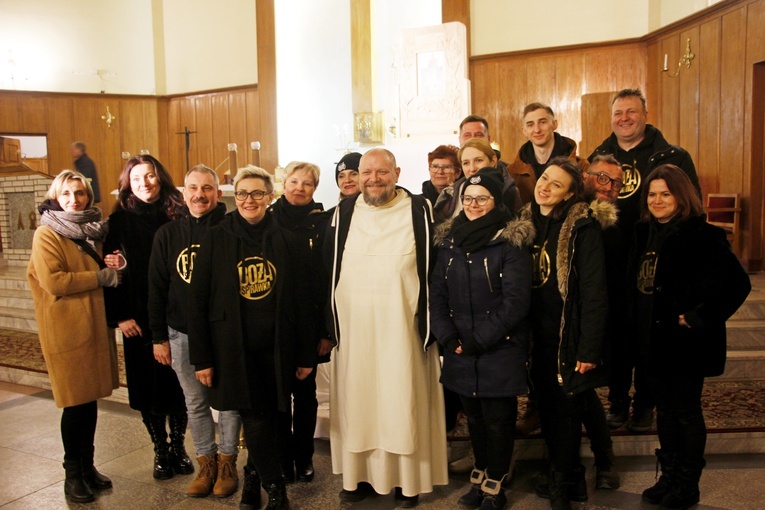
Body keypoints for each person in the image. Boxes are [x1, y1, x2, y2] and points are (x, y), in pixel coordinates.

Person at [326, 148, 448, 507]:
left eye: (382, 172)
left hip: (403, 332)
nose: (373, 179)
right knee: (357, 404)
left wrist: (432, 324)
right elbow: (326, 271)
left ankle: (405, 482)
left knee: (401, 403)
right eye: (366, 172)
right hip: (355, 331)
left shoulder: (418, 210)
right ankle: (357, 477)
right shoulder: (343, 213)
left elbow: (433, 269)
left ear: (396, 172)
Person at [188, 166, 315, 510]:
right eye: (242, 193)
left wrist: (306, 355)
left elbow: (305, 300)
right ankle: (276, 490)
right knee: (255, 416)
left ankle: (252, 479)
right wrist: (202, 358)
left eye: (257, 193)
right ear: (234, 197)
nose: (249, 200)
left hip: (277, 348)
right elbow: (197, 301)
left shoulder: (287, 239)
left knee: (274, 416)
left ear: (269, 197)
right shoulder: (215, 238)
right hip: (233, 349)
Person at [632, 165, 750, 510]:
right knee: (664, 411)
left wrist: (699, 316)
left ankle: (687, 483)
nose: (657, 200)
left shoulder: (704, 235)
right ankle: (667, 476)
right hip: (653, 340)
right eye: (652, 194)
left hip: (686, 342)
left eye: (665, 194)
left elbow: (738, 284)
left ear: (682, 197)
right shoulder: (644, 232)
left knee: (685, 410)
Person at [588, 88, 700, 432]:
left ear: (645, 115)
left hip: (656, 257)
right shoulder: (598, 157)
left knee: (648, 332)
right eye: (618, 112)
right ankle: (618, 400)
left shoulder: (672, 155)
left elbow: (691, 207)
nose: (624, 118)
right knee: (618, 332)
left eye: (631, 112)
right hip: (610, 258)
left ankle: (645, 404)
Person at [430, 168, 533, 510]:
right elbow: (437, 294)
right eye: (468, 199)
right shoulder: (449, 240)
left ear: (496, 202)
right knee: (473, 417)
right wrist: (446, 336)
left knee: (498, 419)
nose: (474, 204)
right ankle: (479, 472)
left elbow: (516, 302)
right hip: (459, 345)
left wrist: (478, 340)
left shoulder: (509, 242)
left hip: (497, 347)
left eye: (482, 199)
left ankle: (496, 482)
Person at [520, 157, 614, 510]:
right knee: (547, 406)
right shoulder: (526, 222)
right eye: (544, 178)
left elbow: (594, 292)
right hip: (537, 335)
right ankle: (569, 476)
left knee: (567, 411)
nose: (544, 186)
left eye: (555, 185)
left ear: (570, 194)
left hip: (568, 335)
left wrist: (588, 349)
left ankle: (562, 484)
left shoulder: (582, 228)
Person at [147, 165, 241, 499]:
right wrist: (158, 337)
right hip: (181, 333)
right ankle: (207, 464)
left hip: (223, 332)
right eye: (192, 188)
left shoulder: (232, 229)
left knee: (228, 401)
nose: (199, 194)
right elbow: (157, 288)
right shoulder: (168, 235)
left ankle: (228, 463)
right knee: (196, 403)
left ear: (218, 193)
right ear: (183, 193)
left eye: (206, 188)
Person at [27, 170, 121, 503]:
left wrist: (113, 268)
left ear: (88, 196)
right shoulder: (47, 233)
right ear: (56, 196)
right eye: (66, 194)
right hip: (67, 331)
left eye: (79, 193)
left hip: (94, 328)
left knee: (90, 400)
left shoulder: (93, 229)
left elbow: (105, 269)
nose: (74, 199)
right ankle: (72, 474)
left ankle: (88, 466)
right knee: (74, 404)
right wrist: (100, 277)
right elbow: (55, 282)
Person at [102, 155, 192, 481]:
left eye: (150, 176)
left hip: (177, 314)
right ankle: (160, 448)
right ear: (128, 183)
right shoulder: (119, 222)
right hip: (138, 319)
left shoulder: (179, 214)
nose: (145, 183)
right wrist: (120, 316)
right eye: (137, 178)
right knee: (148, 389)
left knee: (179, 386)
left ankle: (179, 446)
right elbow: (112, 272)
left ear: (160, 178)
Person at [269, 161, 332, 484]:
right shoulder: (267, 219)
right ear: (283, 183)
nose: (299, 188)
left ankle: (304, 456)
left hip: (308, 325)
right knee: (278, 395)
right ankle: (282, 457)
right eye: (294, 181)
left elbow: (326, 282)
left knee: (305, 396)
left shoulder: (322, 223)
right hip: (275, 326)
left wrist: (325, 333)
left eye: (307, 184)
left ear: (315, 189)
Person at [506, 103, 590, 205]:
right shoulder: (512, 172)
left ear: (554, 124)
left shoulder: (581, 166)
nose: (537, 130)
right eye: (530, 125)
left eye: (542, 122)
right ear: (524, 131)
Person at [434, 138, 522, 223]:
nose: (472, 168)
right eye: (466, 163)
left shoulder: (510, 191)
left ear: (493, 161)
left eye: (478, 160)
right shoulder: (450, 194)